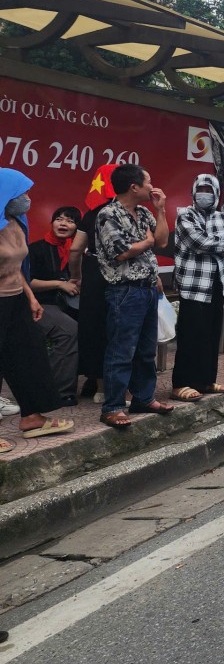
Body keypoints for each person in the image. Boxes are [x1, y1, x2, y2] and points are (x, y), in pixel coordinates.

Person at [94, 164, 173, 428]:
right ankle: (113, 406)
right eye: (148, 182)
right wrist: (146, 243)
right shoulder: (108, 214)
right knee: (121, 349)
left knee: (146, 349)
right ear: (134, 187)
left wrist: (161, 210)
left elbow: (162, 241)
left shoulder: (144, 212)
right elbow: (121, 252)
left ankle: (144, 398)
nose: (152, 186)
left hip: (148, 288)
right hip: (124, 290)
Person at [0, 170, 75, 450]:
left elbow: (17, 267)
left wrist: (30, 297)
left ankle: (32, 417)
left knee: (28, 353)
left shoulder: (15, 222)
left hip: (15, 297)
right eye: (22, 194)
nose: (27, 199)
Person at [172, 174, 224, 402]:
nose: (204, 193)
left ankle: (206, 380)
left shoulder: (223, 217)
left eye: (209, 189)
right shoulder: (185, 215)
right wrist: (221, 243)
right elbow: (197, 243)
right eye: (200, 189)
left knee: (211, 334)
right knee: (191, 334)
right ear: (193, 191)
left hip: (218, 283)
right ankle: (181, 383)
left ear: (217, 193)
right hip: (193, 284)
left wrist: (217, 244)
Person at [69, 165, 118, 404]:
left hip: (94, 272)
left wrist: (75, 276)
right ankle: (120, 385)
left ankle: (99, 385)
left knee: (95, 326)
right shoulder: (128, 213)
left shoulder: (91, 215)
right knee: (119, 328)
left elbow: (76, 249)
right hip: (122, 275)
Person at [27, 205, 81, 404]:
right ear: (51, 223)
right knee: (69, 330)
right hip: (40, 304)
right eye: (59, 219)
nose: (63, 223)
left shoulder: (78, 251)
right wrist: (60, 284)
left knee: (97, 324)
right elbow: (28, 281)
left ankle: (95, 379)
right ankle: (59, 392)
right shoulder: (36, 248)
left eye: (70, 220)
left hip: (71, 305)